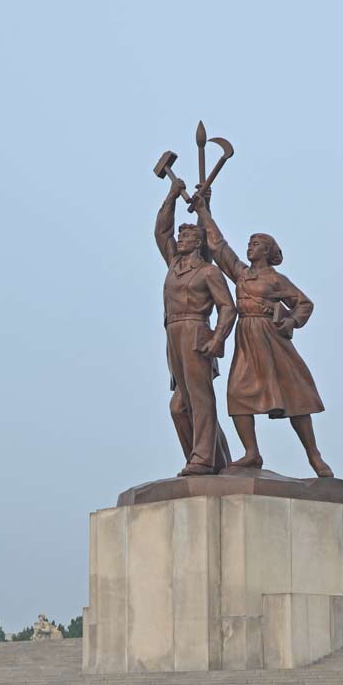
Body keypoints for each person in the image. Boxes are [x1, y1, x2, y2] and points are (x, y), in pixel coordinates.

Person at [191, 194, 333, 477]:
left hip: (272, 339)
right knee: (237, 393)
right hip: (247, 337)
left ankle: (314, 455)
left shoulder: (276, 280)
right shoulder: (241, 274)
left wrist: (291, 322)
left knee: (295, 396)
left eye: (256, 244)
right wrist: (204, 212)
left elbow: (304, 303)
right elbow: (219, 247)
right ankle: (252, 452)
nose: (250, 247)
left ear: (268, 251)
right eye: (250, 243)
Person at [155, 176, 237, 475]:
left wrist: (217, 339)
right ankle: (210, 460)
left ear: (198, 242)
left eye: (187, 236)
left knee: (199, 399)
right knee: (180, 406)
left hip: (196, 331)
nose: (179, 239)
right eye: (180, 236)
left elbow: (228, 307)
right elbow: (160, 230)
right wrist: (172, 195)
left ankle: (202, 460)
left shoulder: (207, 273)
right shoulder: (174, 264)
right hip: (172, 334)